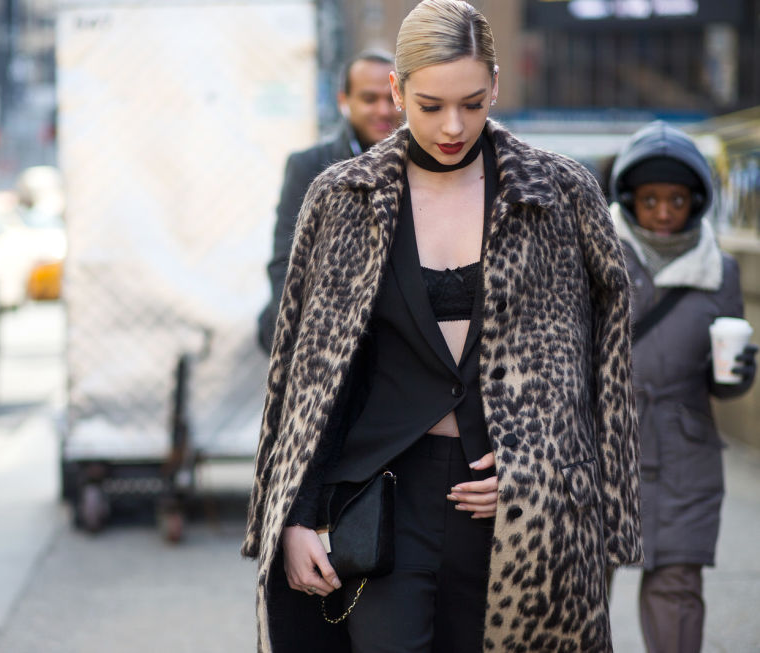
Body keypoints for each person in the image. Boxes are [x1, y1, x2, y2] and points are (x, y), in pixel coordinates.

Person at [241, 1, 643, 651]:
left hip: (518, 512)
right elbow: (306, 376)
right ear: (396, 91)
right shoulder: (342, 198)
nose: (453, 125)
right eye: (429, 106)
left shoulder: (561, 195)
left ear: (496, 85)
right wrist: (293, 516)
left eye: (473, 102)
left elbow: (605, 367)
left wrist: (544, 473)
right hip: (379, 499)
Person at [608, 121, 758, 653]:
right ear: (629, 199)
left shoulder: (720, 272)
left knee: (677, 589)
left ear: (696, 202)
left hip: (684, 455)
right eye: (651, 200)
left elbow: (722, 387)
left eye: (676, 199)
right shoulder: (593, 257)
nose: (665, 212)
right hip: (604, 447)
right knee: (580, 588)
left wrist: (737, 375)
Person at [257, 50, 400, 353]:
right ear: (343, 101)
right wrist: (296, 344)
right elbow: (286, 260)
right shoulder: (310, 166)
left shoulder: (420, 168)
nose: (383, 110)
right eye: (369, 99)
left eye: (392, 98)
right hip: (326, 341)